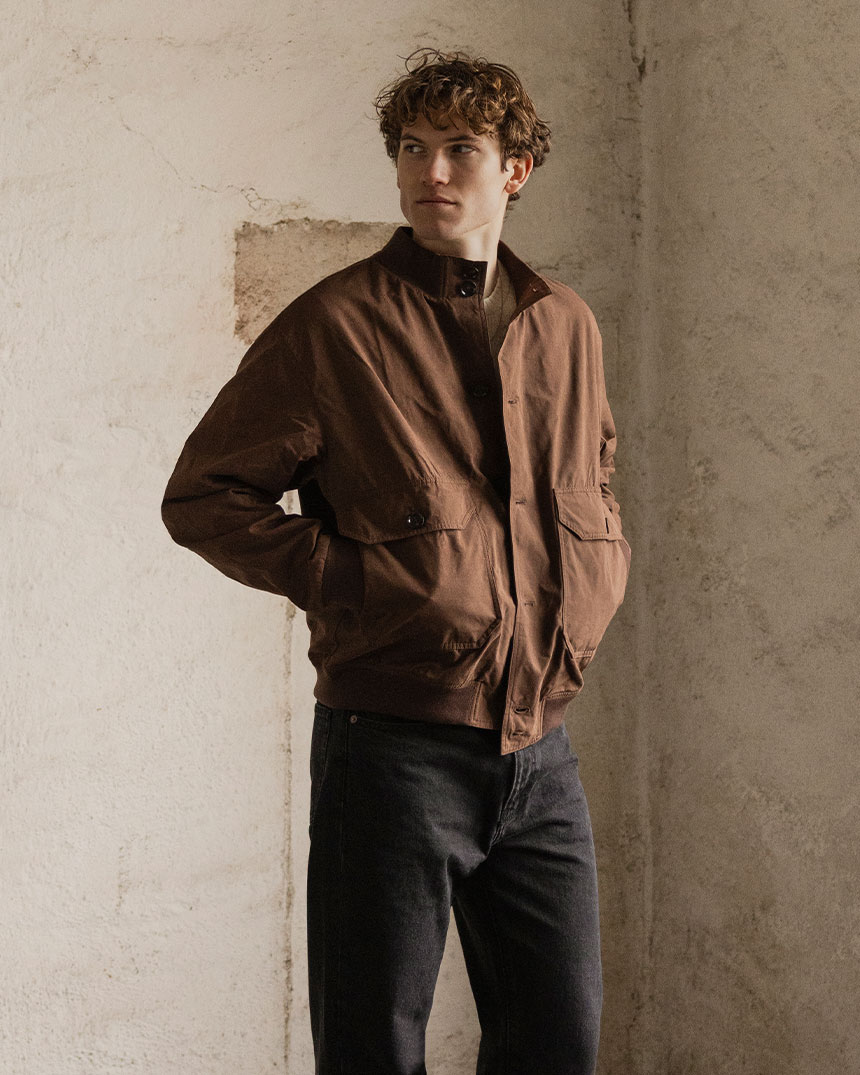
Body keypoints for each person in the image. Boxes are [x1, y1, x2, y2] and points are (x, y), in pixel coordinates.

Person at [162, 48, 631, 1075]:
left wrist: (596, 575)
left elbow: (591, 472)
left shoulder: (564, 324)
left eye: (459, 148)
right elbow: (204, 495)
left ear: (513, 169)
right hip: (391, 750)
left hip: (540, 750)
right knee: (374, 1050)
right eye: (412, 149)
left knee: (557, 1044)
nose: (431, 172)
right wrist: (361, 583)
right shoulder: (336, 325)